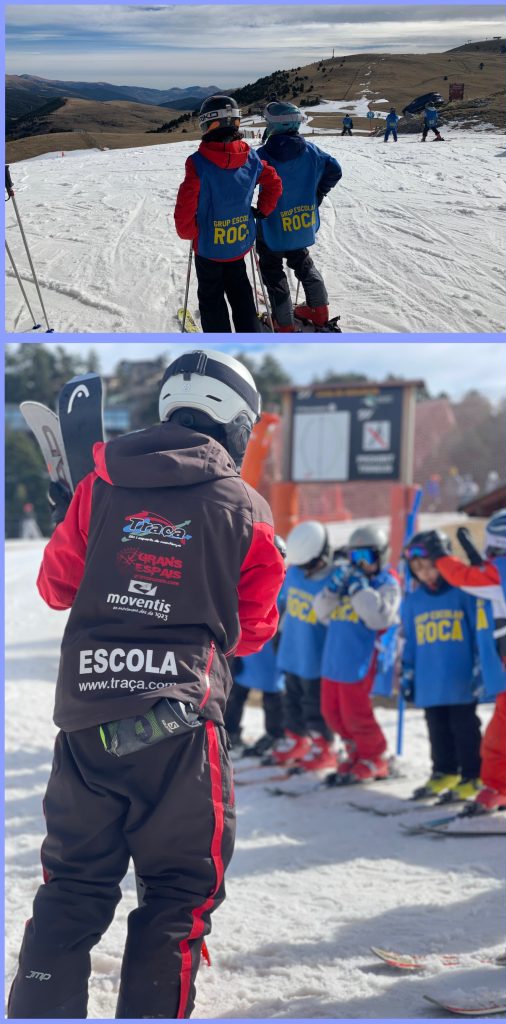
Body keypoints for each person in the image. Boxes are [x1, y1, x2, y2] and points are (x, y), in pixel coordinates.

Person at [6, 351, 284, 1018]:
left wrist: (72, 516)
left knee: (72, 888)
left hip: (86, 722)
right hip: (179, 728)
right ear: (237, 423)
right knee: (177, 898)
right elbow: (254, 629)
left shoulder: (99, 488)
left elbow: (55, 586)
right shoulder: (246, 508)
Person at [173, 95, 282, 333]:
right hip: (238, 241)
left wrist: (190, 232)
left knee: (211, 297)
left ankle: (217, 339)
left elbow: (186, 202)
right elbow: (273, 181)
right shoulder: (251, 157)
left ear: (208, 124)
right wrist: (263, 210)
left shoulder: (198, 162)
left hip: (209, 246)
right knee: (241, 290)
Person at [430, 510, 506, 812]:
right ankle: (498, 786)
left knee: (498, 736)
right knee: (499, 733)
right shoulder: (501, 571)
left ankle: (498, 786)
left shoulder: (499, 572)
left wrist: (440, 557)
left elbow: (465, 578)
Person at [311, 525, 401, 784]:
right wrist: (333, 589)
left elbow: (378, 618)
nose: (360, 565)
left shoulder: (386, 584)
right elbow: (320, 612)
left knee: (355, 713)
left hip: (358, 661)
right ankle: (355, 751)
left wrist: (359, 589)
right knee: (331, 713)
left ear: (381, 557)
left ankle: (375, 756)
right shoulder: (346, 581)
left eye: (367, 558)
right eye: (354, 558)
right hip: (333, 660)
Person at [400, 530, 483, 801]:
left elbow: (476, 633)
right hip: (429, 681)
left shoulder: (464, 594)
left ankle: (472, 775)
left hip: (460, 680)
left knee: (464, 729)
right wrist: (408, 673)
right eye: (418, 569)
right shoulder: (413, 602)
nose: (425, 573)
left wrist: (479, 668)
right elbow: (410, 642)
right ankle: (444, 771)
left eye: (429, 566)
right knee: (436, 729)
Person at [255, 101, 342, 332]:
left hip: (271, 224)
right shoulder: (312, 151)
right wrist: (318, 192)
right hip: (300, 222)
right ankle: (319, 310)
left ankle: (282, 323)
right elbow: (335, 170)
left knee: (273, 271)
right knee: (302, 262)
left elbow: (245, 181)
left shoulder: (262, 154)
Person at [270, 519, 336, 771]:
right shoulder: (295, 573)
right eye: (303, 565)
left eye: (312, 564)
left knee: (314, 705)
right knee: (291, 700)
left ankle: (324, 746)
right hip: (291, 650)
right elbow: (282, 604)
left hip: (315, 657)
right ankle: (297, 739)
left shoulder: (332, 579)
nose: (307, 570)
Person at [224, 535, 288, 757]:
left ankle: (275, 733)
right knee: (237, 693)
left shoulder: (283, 583)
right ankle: (230, 731)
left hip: (270, 650)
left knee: (272, 695)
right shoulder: (245, 576)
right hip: (246, 648)